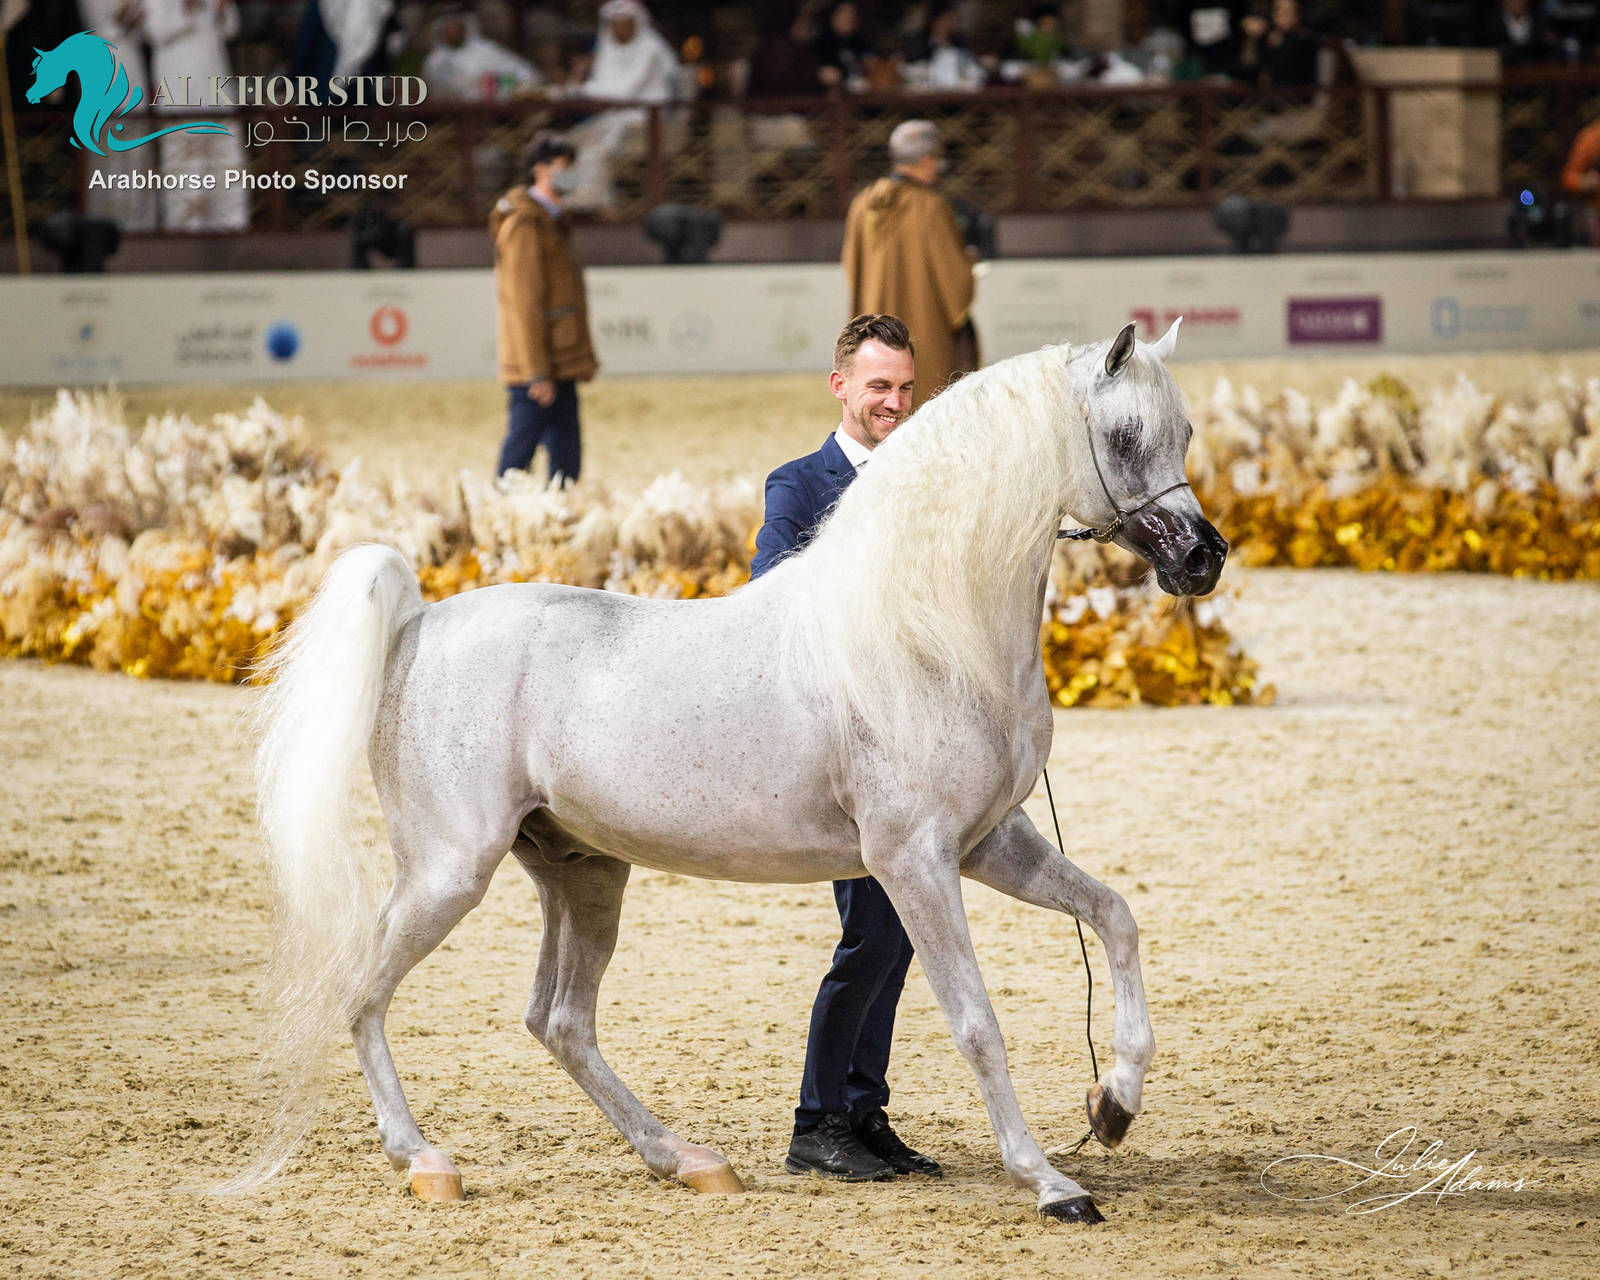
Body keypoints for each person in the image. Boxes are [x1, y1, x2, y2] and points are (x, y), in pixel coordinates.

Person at [749, 313, 941, 1183]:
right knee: (870, 936)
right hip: (833, 752)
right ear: (841, 387)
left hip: (916, 748)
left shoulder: (936, 485)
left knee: (898, 936)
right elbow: (771, 597)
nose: (894, 405)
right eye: (878, 389)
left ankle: (863, 1115)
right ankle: (814, 1122)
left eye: (905, 388)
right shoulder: (799, 483)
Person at [842, 120, 975, 413]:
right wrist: (969, 262)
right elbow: (954, 283)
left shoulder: (862, 204)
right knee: (921, 407)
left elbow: (851, 266)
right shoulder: (931, 207)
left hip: (874, 332)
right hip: (923, 335)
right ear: (929, 160)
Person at [491, 135, 598, 482]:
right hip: (538, 366)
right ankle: (501, 514)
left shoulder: (550, 219)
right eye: (565, 168)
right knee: (519, 454)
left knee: (566, 458)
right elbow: (524, 303)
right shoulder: (526, 225)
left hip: (558, 359)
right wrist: (536, 372)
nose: (572, 175)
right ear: (540, 170)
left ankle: (554, 517)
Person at [142, 0, 249, 232]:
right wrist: (186, 7)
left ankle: (230, 226)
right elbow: (155, 30)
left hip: (216, 91)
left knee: (224, 166)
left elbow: (231, 29)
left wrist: (221, 10)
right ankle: (185, 231)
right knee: (185, 168)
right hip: (179, 92)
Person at [565, 0, 679, 212]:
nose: (620, 28)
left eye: (625, 23)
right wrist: (579, 83)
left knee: (602, 136)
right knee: (572, 139)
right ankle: (585, 196)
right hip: (614, 115)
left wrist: (583, 88)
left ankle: (590, 196)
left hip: (646, 117)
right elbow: (600, 87)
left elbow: (623, 92)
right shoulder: (608, 49)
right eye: (615, 23)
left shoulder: (650, 48)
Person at [422, 8, 539, 99]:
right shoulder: (434, 59)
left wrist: (492, 82)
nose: (453, 32)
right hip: (447, 117)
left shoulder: (488, 51)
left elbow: (525, 76)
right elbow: (430, 88)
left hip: (492, 114)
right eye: (449, 29)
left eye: (457, 27)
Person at [1235, 0, 1319, 89]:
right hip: (1260, 94)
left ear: (1298, 15)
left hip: (1295, 94)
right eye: (1278, 10)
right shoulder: (1264, 37)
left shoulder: (1306, 40)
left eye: (1289, 11)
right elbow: (1247, 66)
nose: (1283, 14)